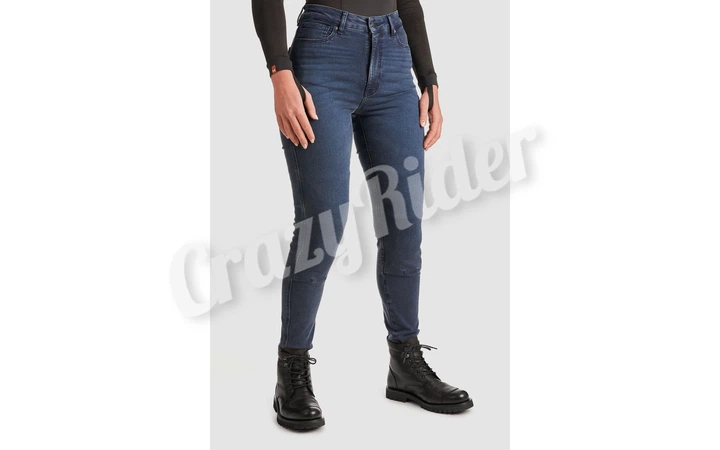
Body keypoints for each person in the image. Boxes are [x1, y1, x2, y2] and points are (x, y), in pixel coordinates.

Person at [252, 0, 473, 430]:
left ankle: (405, 363)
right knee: (322, 226)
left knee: (404, 223)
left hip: (394, 57)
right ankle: (291, 370)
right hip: (323, 55)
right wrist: (279, 70)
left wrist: (428, 78)